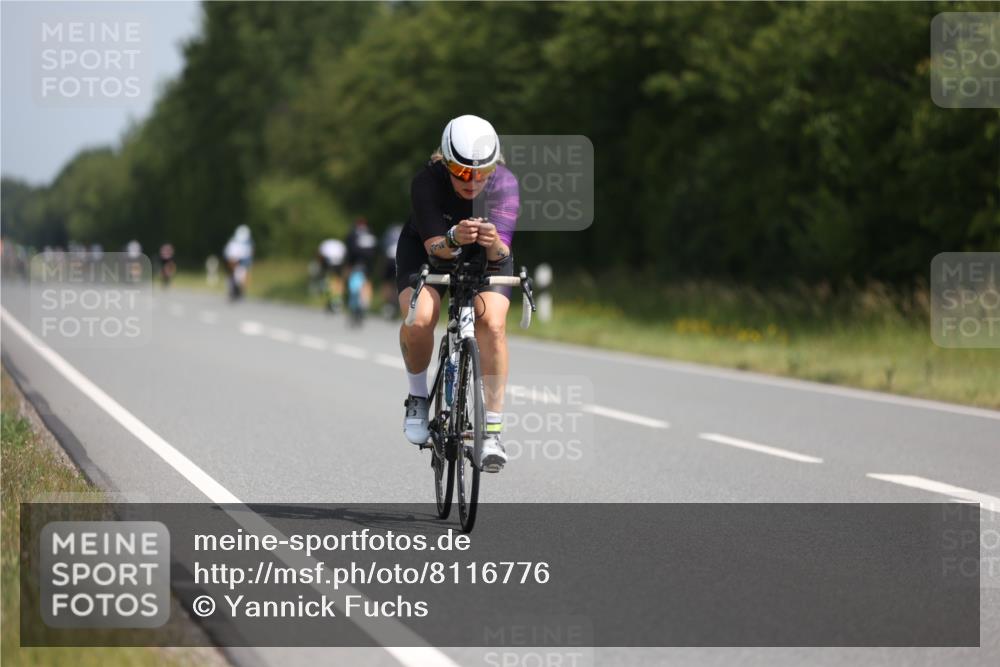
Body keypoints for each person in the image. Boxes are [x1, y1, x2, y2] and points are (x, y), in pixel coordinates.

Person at [396, 114, 518, 472]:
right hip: (428, 250)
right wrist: (452, 237)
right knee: (419, 321)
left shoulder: (505, 184)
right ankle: (418, 397)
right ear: (446, 164)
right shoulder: (427, 182)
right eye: (463, 173)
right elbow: (436, 248)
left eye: (482, 173)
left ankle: (491, 431)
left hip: (485, 256)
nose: (473, 181)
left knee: (492, 325)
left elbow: (503, 254)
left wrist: (493, 243)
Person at [223, 225, 254, 301]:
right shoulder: (233, 242)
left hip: (242, 264)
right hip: (233, 262)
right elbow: (228, 254)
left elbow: (248, 256)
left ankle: (240, 292)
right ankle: (232, 290)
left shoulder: (248, 243)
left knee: (243, 276)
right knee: (232, 276)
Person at [317, 237, 347, 312]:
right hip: (339, 263)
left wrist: (321, 267)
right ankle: (338, 299)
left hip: (329, 263)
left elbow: (321, 256)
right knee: (338, 280)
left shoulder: (325, 243)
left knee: (330, 280)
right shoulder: (340, 244)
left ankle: (334, 299)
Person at [380, 223, 403, 318]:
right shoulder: (406, 230)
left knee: (387, 283)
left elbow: (383, 248)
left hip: (389, 258)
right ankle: (400, 303)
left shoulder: (388, 233)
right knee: (402, 282)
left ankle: (388, 304)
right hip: (401, 258)